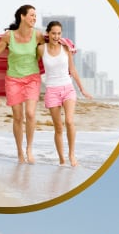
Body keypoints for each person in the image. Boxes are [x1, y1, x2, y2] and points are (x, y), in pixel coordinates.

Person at [0, 5, 42, 164]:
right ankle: (19, 153)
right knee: (18, 117)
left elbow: (51, 47)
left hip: (32, 78)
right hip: (13, 80)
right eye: (31, 15)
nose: (34, 18)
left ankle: (29, 149)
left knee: (30, 114)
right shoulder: (8, 36)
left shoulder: (37, 36)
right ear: (22, 17)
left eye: (35, 16)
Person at [37, 21, 91, 166]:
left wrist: (82, 89)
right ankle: (62, 159)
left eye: (59, 33)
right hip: (51, 90)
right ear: (48, 33)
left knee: (69, 121)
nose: (56, 36)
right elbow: (33, 67)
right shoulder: (41, 49)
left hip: (67, 88)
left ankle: (72, 155)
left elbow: (72, 70)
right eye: (53, 33)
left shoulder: (66, 48)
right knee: (58, 127)